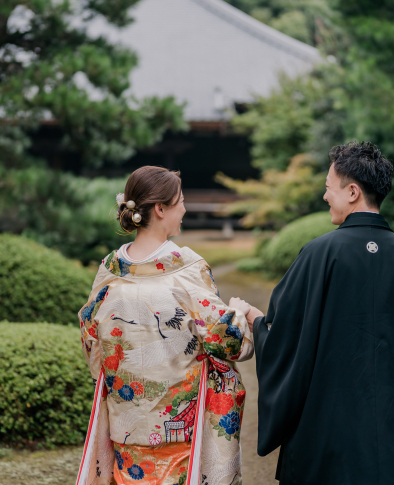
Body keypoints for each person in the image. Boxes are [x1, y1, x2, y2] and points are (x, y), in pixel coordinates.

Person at [247, 141, 394, 484]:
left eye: (328, 188)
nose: (324, 197)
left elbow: (285, 338)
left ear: (352, 192)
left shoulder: (318, 253)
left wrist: (256, 322)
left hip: (326, 440)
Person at [76, 166, 262, 485]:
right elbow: (229, 342)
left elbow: (91, 341)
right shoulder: (187, 271)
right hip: (179, 430)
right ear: (161, 209)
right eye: (181, 202)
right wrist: (237, 311)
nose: (185, 209)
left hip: (126, 427)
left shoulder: (109, 271)